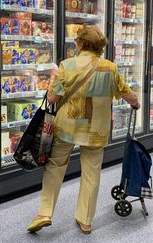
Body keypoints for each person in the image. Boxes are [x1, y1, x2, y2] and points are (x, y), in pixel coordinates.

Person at [27, 25, 140, 235]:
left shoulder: (66, 65)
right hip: (96, 129)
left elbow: (52, 98)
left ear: (81, 44)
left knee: (55, 167)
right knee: (91, 172)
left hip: (67, 126)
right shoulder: (110, 68)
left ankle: (44, 213)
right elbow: (128, 94)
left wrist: (53, 81)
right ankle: (85, 220)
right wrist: (135, 103)